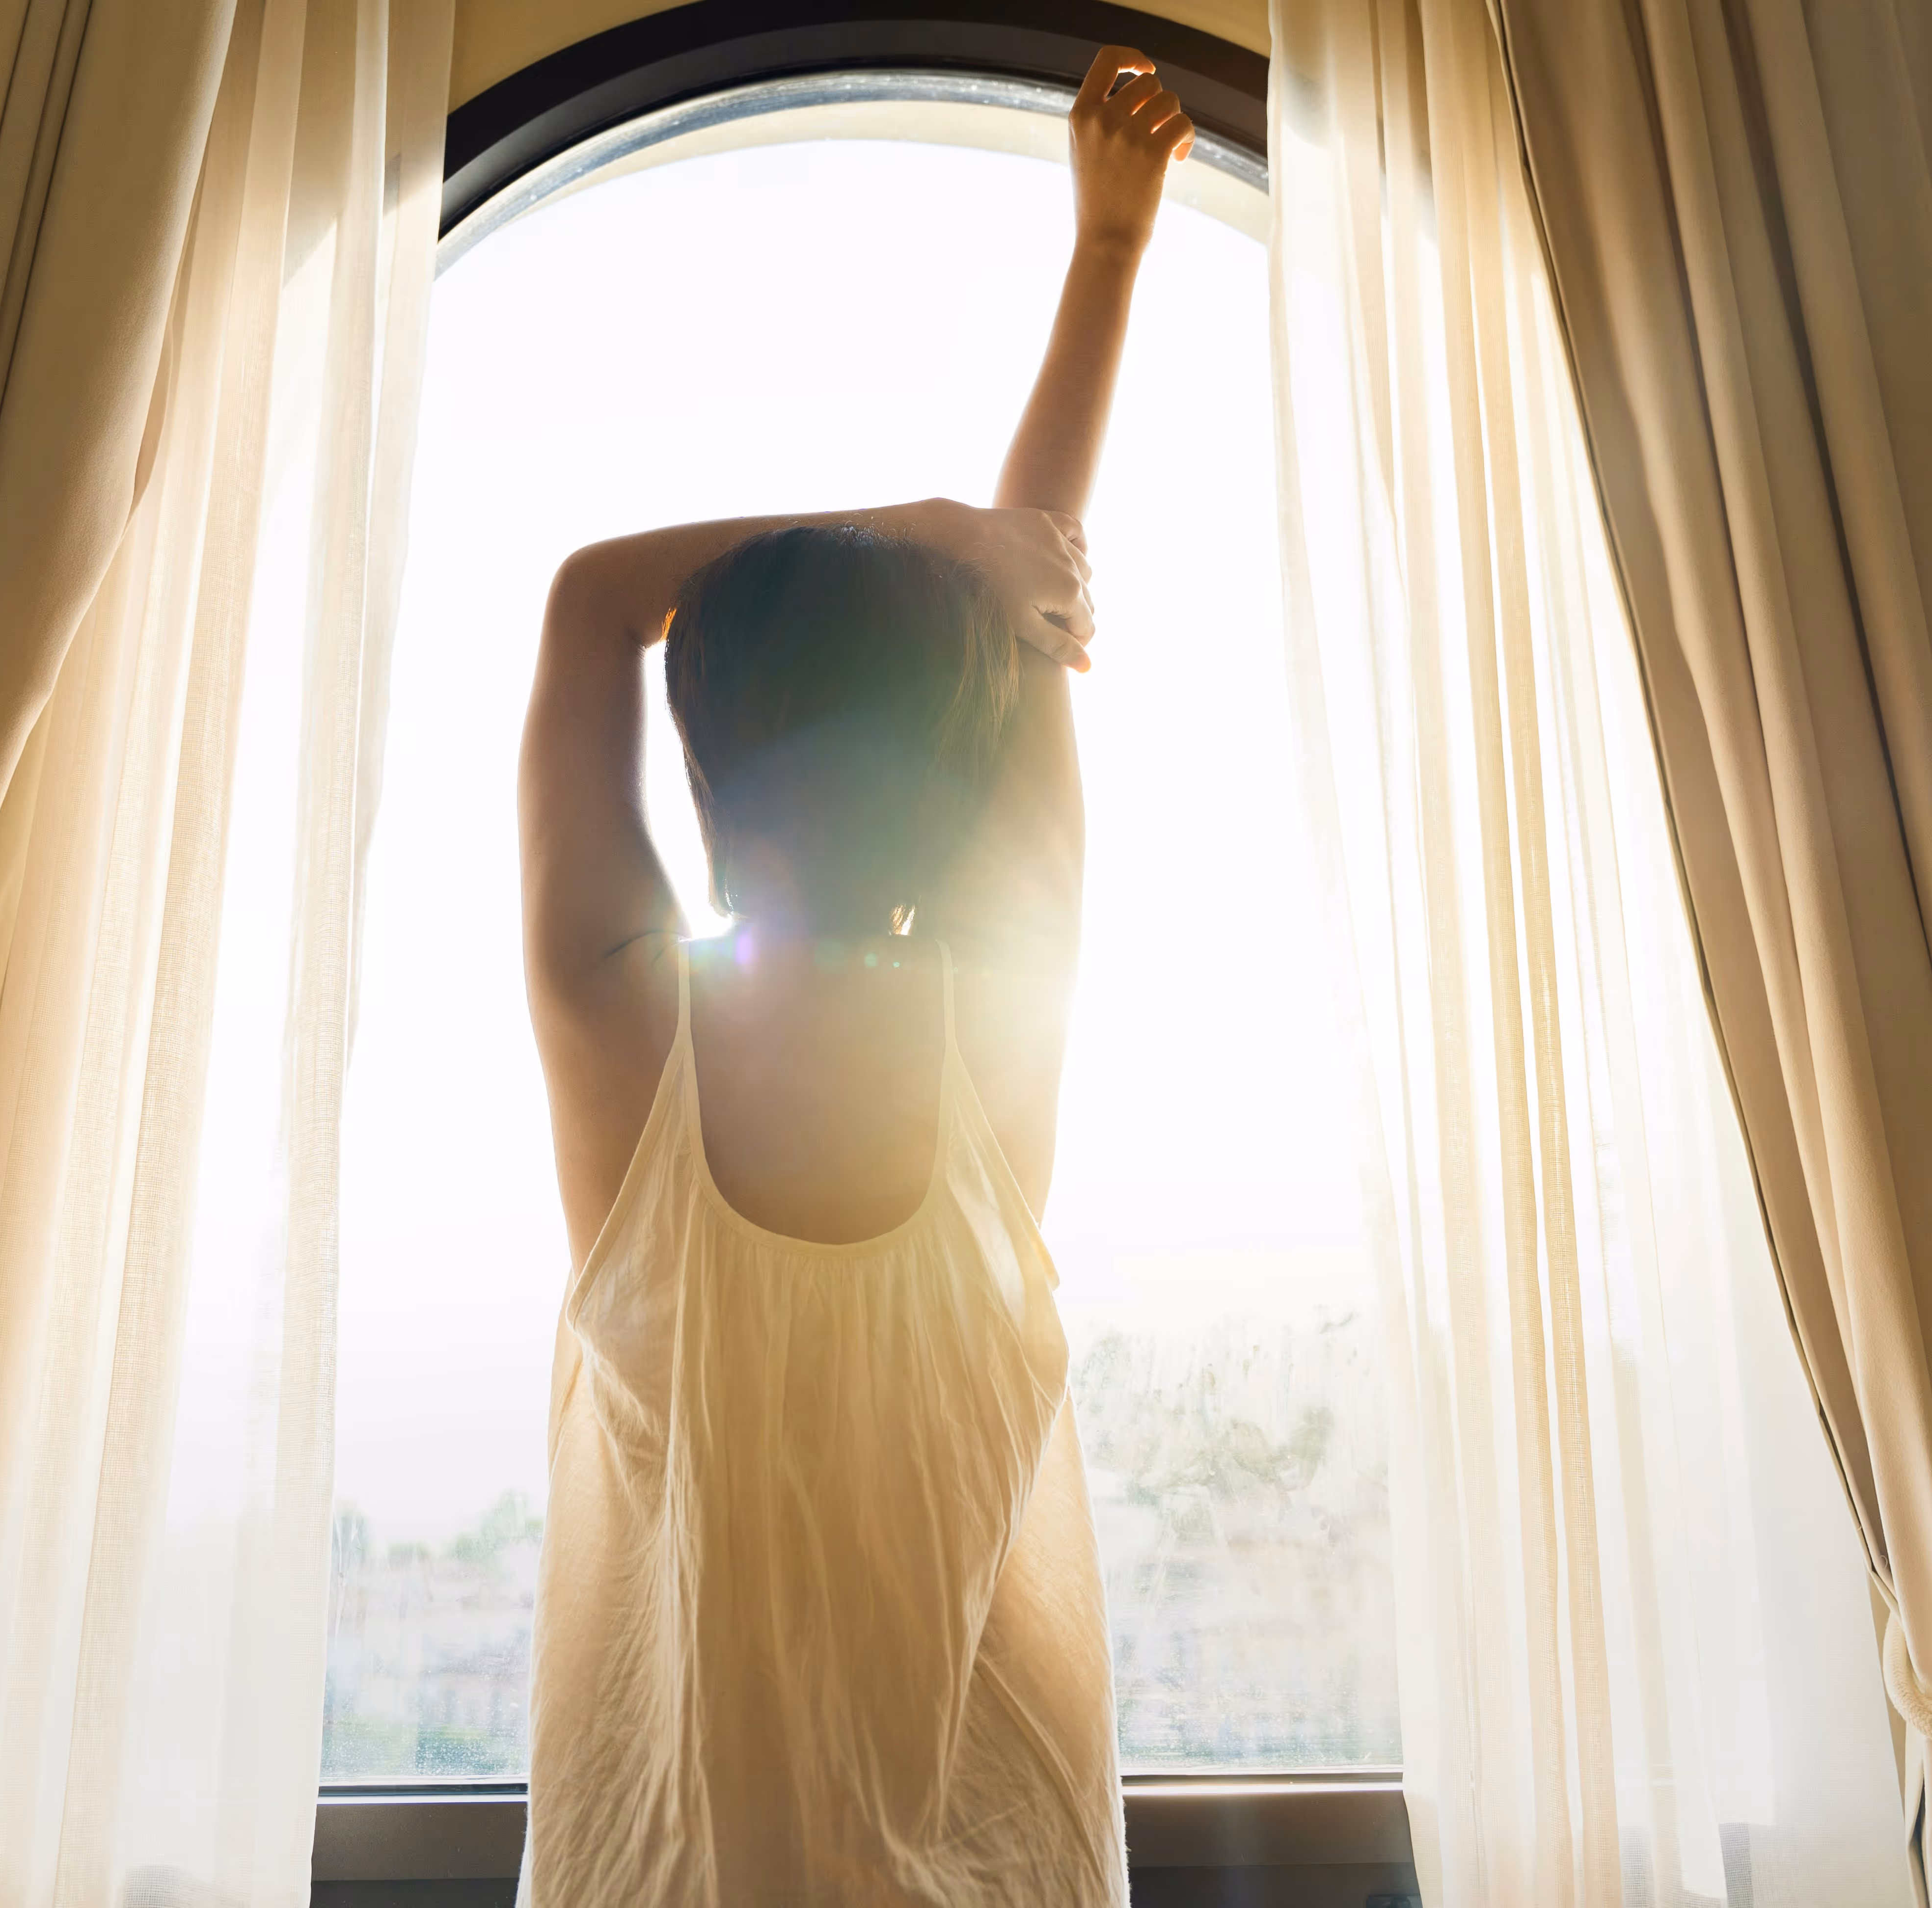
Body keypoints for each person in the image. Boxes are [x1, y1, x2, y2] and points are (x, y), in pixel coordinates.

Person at [515, 46, 1194, 1906]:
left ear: (702, 766)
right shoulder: (1006, 1040)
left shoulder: (619, 1047)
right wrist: (1110, 256)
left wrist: (925, 527)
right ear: (951, 769)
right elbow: (1032, 613)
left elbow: (592, 596)